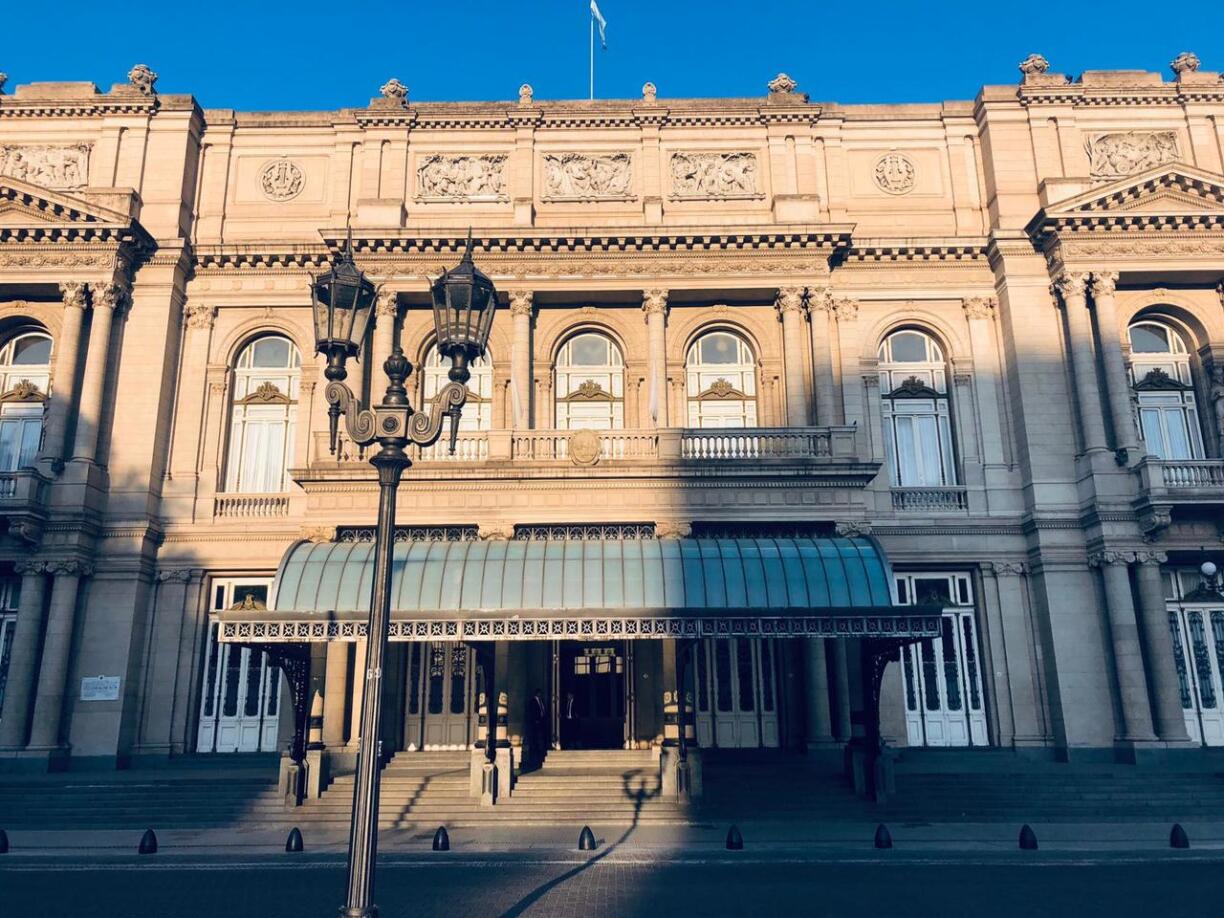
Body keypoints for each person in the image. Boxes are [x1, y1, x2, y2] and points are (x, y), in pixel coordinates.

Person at [524, 689, 548, 770]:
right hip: (535, 723)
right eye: (540, 693)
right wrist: (536, 720)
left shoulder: (542, 701)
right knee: (535, 739)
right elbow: (532, 712)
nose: (541, 695)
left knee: (541, 737)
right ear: (537, 693)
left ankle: (541, 751)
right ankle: (535, 755)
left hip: (541, 722)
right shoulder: (532, 702)